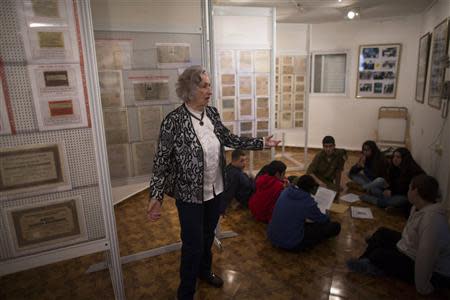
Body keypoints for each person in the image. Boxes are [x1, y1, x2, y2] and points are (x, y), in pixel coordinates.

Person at [146, 65, 280, 300]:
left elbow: (228, 138)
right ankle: (185, 292)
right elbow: (161, 163)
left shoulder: (213, 114)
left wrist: (260, 143)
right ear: (189, 89)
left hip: (215, 189)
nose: (210, 91)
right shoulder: (173, 122)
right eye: (205, 86)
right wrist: (155, 197)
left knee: (208, 236)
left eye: (210, 86)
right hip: (189, 196)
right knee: (192, 244)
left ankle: (204, 271)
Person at [347, 174, 450, 296]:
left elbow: (425, 259)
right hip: (412, 250)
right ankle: (366, 260)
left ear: (415, 191)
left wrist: (423, 288)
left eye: (409, 187)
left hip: (433, 272)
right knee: (382, 232)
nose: (408, 190)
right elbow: (409, 235)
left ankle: (373, 264)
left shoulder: (432, 220)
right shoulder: (418, 207)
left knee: (380, 253)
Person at [268, 175, 341, 251]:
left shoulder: (286, 191)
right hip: (291, 243)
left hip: (273, 236)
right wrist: (327, 213)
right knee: (335, 226)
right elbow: (323, 219)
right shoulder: (308, 202)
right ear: (311, 189)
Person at [360, 147, 424, 212]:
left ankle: (375, 200)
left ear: (405, 158)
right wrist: (389, 190)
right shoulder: (395, 168)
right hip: (393, 192)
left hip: (404, 195)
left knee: (395, 201)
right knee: (377, 186)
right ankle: (389, 203)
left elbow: (406, 190)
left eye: (398, 157)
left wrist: (392, 192)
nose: (395, 159)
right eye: (394, 157)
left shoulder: (412, 171)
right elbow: (392, 183)